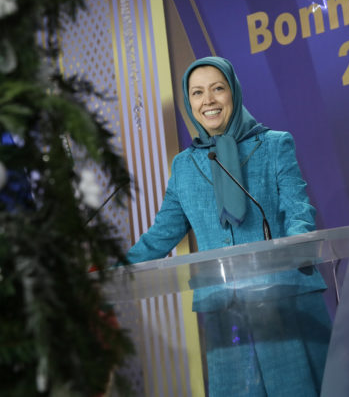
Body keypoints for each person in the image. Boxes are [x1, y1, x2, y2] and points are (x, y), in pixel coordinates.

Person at [125, 56, 331, 396]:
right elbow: (162, 234)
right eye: (197, 93)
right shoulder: (185, 165)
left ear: (233, 92)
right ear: (188, 102)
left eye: (218, 89)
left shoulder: (274, 145)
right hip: (225, 312)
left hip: (282, 301)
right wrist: (114, 269)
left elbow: (298, 210)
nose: (208, 100)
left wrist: (293, 248)